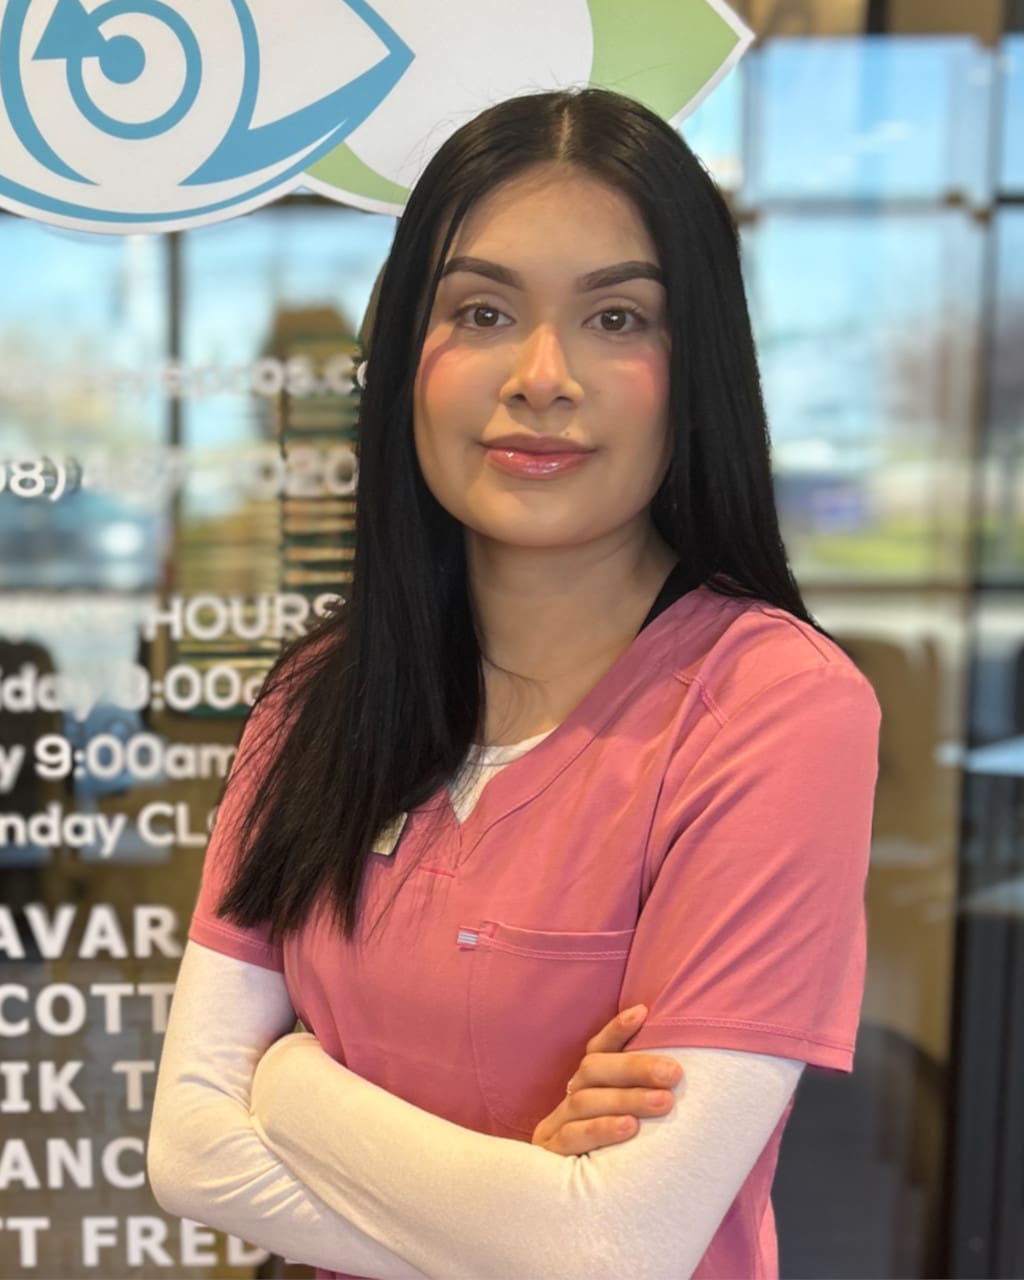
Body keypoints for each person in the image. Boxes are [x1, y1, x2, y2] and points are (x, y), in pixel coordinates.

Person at [148, 87, 881, 1280]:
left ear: (696, 369)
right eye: (483, 310)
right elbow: (189, 1152)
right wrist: (518, 1211)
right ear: (404, 364)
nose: (543, 375)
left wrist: (288, 1084)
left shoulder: (773, 707)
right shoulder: (320, 699)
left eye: (617, 318)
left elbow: (611, 1247)